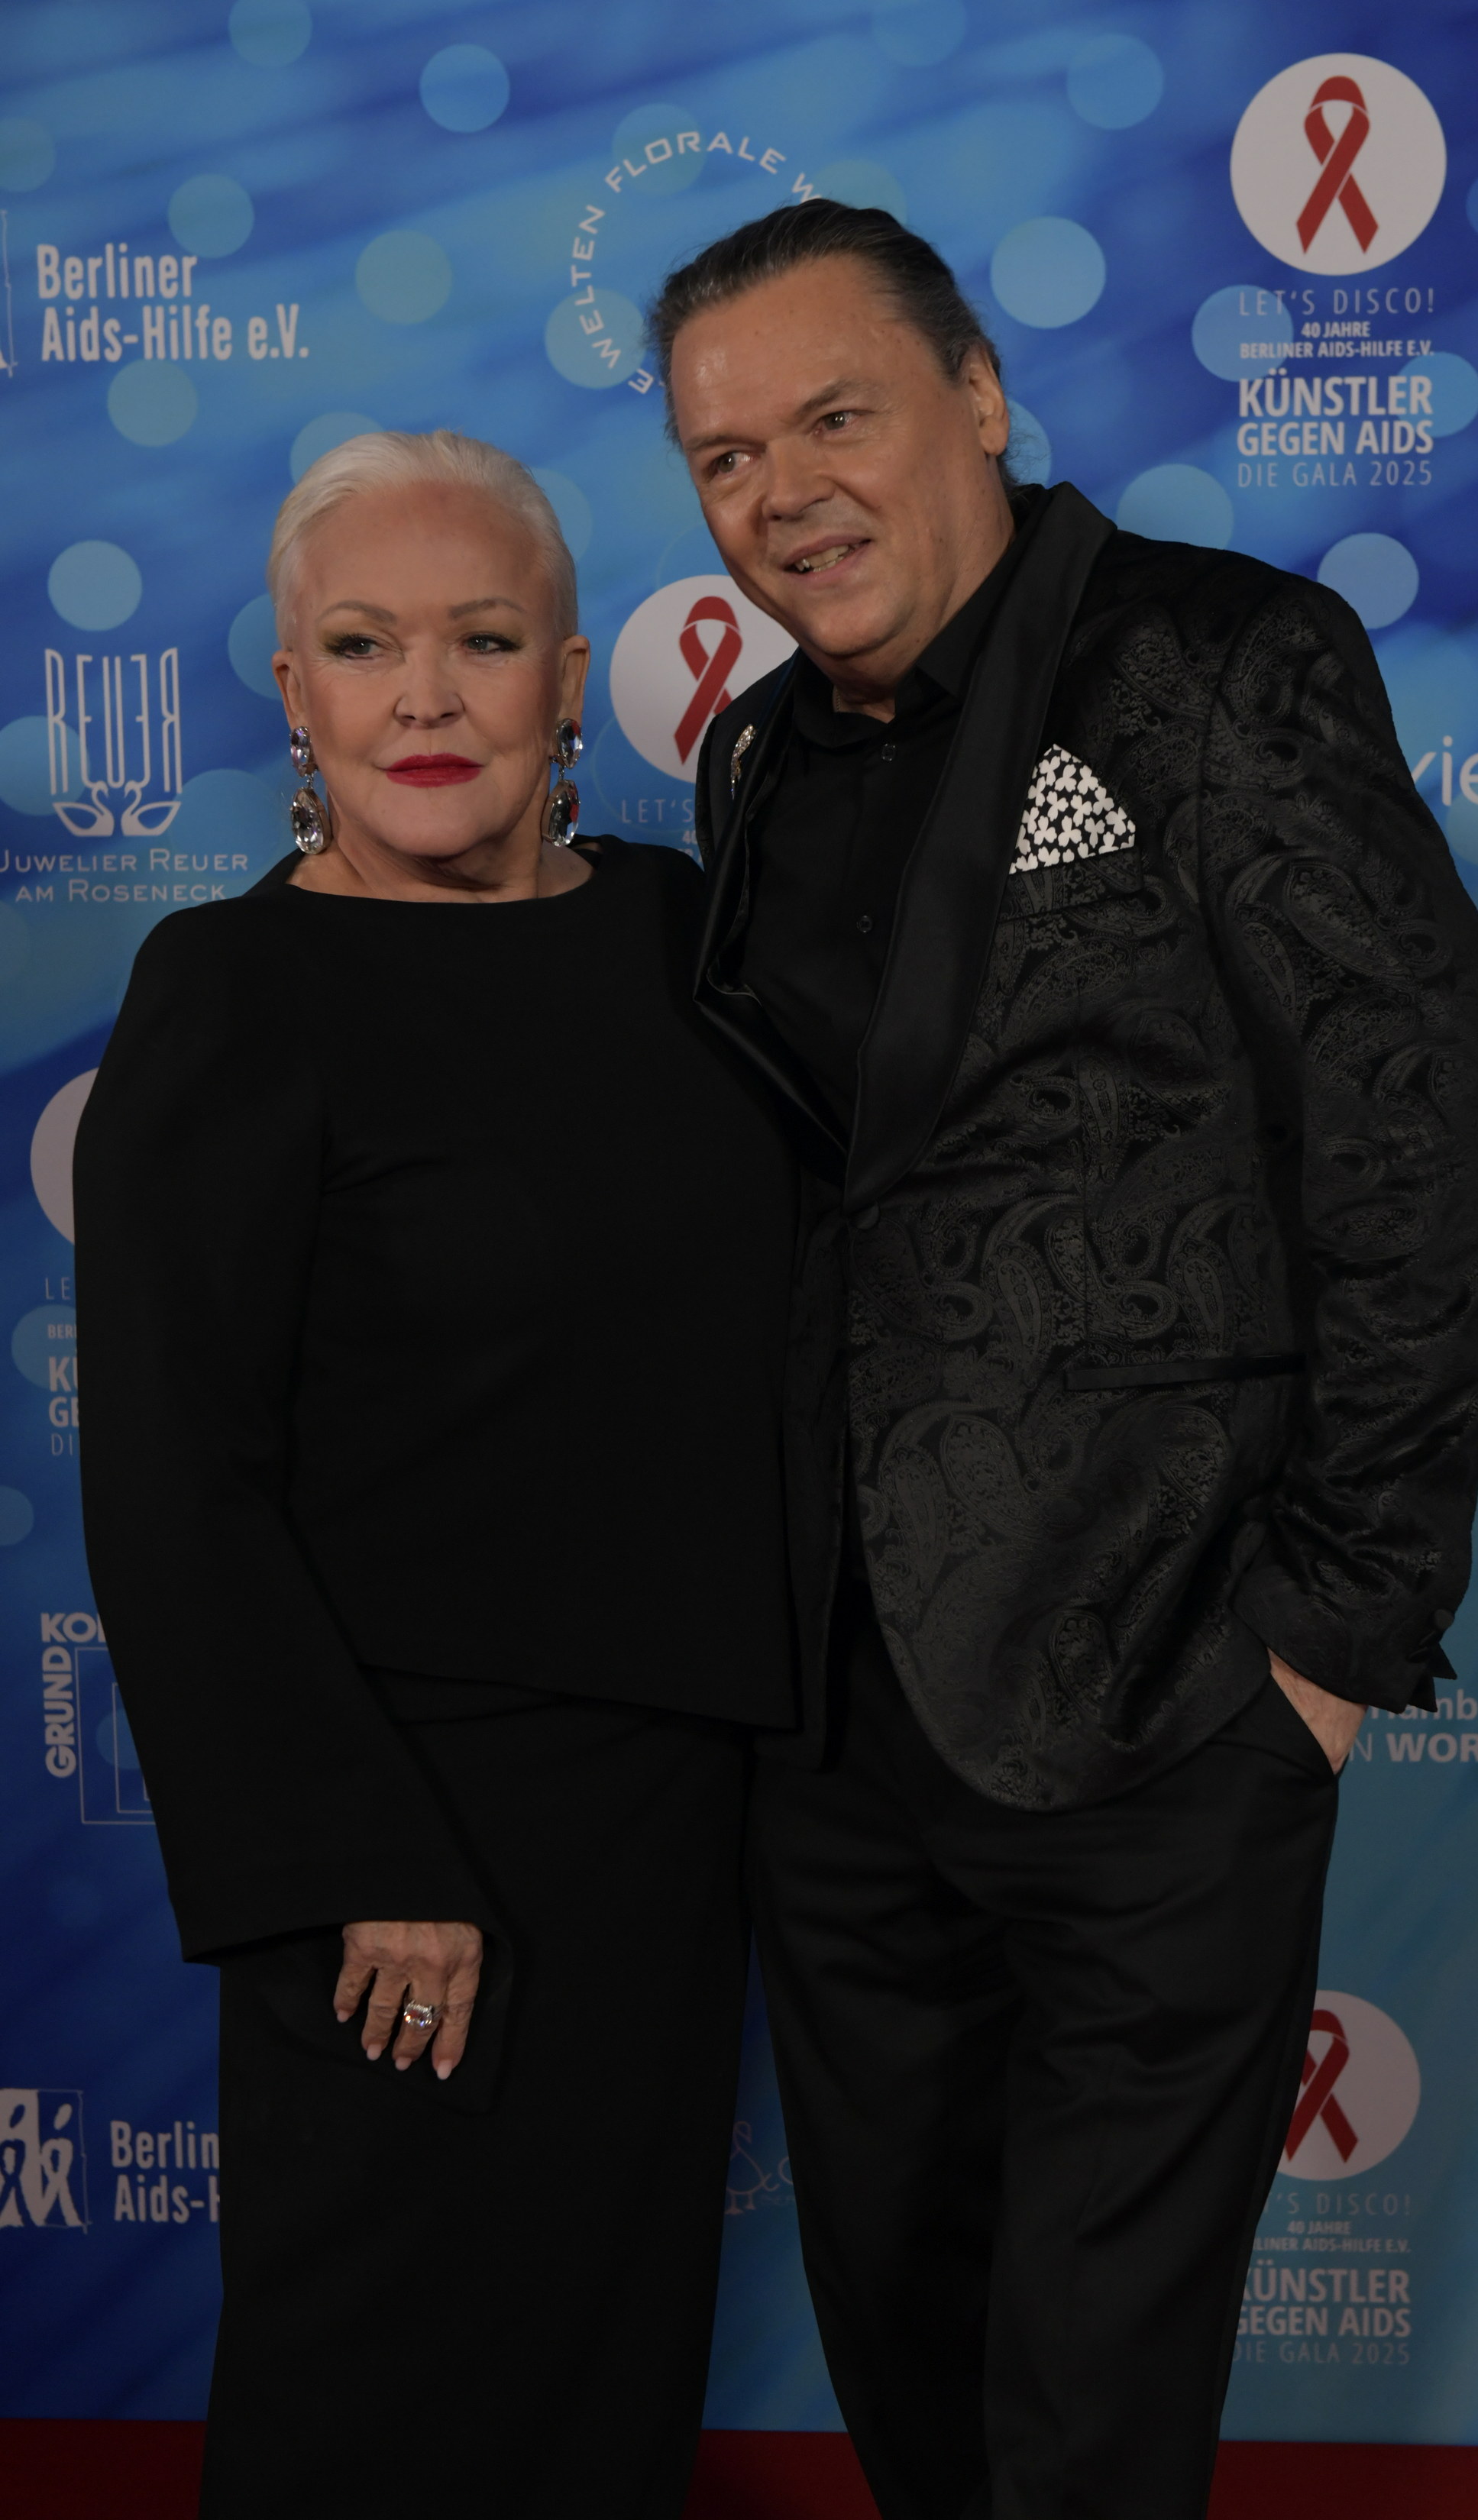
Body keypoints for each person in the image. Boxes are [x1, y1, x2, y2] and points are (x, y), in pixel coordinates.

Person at [654, 202, 1478, 2519]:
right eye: (726, 457)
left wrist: (1324, 1642)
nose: (782, 494)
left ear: (977, 397)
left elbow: (1417, 1134)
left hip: (1162, 1689)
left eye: (834, 416)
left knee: (1088, 2420)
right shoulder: (751, 759)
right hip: (839, 1727)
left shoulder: (1218, 667)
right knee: (910, 2362)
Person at [73, 429, 797, 2520]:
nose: (423, 697)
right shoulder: (233, 992)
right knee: (373, 2401)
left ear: (567, 682)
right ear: (294, 691)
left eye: (481, 641)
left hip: (668, 1821)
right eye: (363, 644)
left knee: (603, 2391)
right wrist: (359, 1858)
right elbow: (178, 1485)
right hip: (398, 1839)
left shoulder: (685, 939)